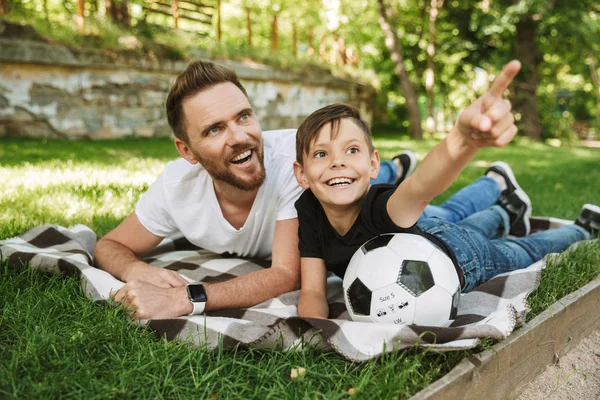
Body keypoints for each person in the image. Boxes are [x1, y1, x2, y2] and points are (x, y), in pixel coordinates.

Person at [94, 59, 418, 320]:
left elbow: (287, 274)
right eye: (215, 129)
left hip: (352, 200)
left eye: (244, 116)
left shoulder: (293, 161)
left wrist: (186, 297)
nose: (239, 136)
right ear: (187, 151)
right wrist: (136, 269)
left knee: (440, 212)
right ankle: (395, 167)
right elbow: (109, 245)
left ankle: (392, 169)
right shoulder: (176, 186)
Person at [292, 62, 599, 319]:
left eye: (352, 150)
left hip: (461, 258)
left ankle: (583, 228)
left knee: (522, 251)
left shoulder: (377, 206)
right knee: (467, 225)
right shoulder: (309, 209)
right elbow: (313, 291)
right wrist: (315, 333)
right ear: (301, 174)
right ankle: (506, 210)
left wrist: (462, 140)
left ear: (374, 164)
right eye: (321, 154)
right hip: (431, 233)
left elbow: (420, 186)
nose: (337, 163)